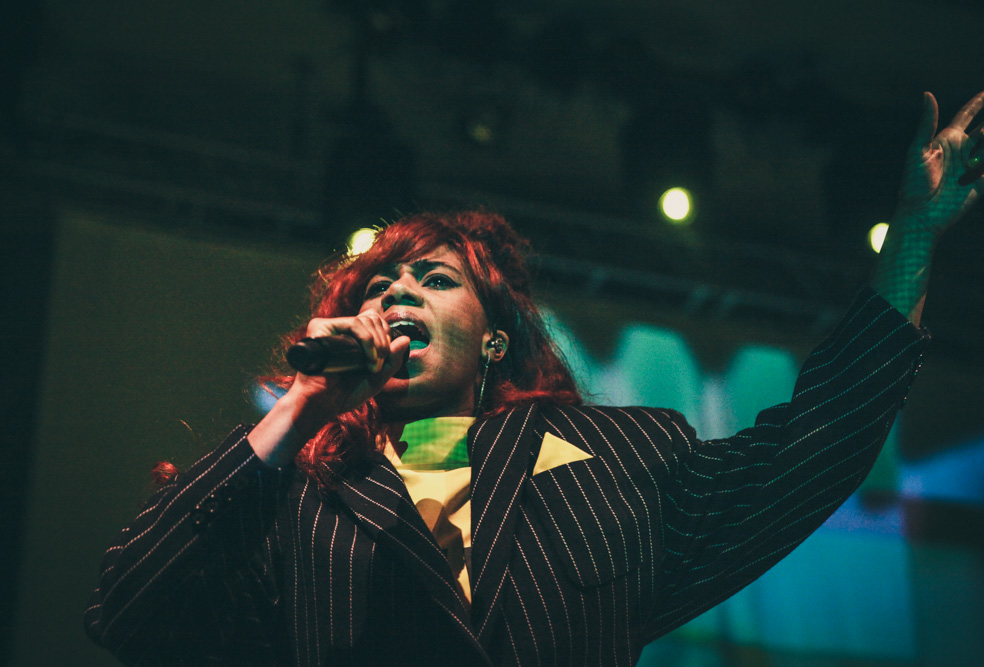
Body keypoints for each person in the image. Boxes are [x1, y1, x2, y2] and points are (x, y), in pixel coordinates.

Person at [85, 91, 983, 666]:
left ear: (494, 343)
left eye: (435, 279)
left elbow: (810, 451)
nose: (398, 292)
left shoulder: (618, 460)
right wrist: (307, 406)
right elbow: (132, 606)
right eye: (377, 287)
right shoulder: (298, 505)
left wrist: (911, 239)